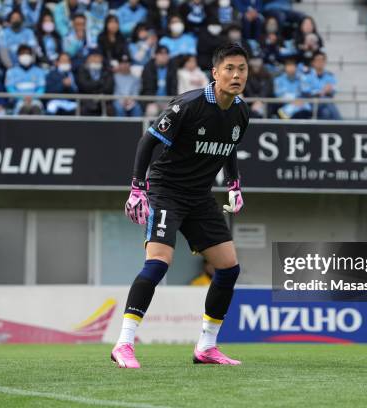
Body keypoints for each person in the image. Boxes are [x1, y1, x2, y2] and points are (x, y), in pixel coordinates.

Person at [111, 43, 250, 368]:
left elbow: (228, 146)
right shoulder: (189, 105)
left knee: (228, 267)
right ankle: (124, 344)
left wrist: (234, 184)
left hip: (200, 197)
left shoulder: (242, 112)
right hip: (166, 191)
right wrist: (137, 188)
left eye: (241, 69)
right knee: (159, 262)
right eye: (229, 68)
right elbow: (147, 141)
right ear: (215, 73)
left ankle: (206, 346)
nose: (236, 75)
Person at [5, 45, 46, 115]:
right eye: (22, 53)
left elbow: (41, 88)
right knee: (23, 109)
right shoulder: (11, 72)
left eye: (27, 53)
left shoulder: (39, 71)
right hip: (18, 102)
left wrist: (32, 98)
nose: (25, 56)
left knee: (36, 108)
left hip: (35, 101)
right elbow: (10, 88)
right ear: (18, 56)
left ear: (31, 55)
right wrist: (22, 98)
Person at [301, 51, 341, 120]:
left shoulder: (330, 75)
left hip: (324, 103)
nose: (320, 62)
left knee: (326, 113)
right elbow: (306, 92)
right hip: (310, 102)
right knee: (326, 100)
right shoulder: (306, 75)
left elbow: (333, 90)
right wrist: (322, 92)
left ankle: (324, 130)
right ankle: (341, 124)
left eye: (322, 60)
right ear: (313, 62)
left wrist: (327, 91)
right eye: (318, 60)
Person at [140, 45, 178, 116]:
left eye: (166, 54)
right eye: (161, 53)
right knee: (152, 111)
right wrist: (152, 101)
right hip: (152, 100)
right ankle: (149, 127)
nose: (164, 56)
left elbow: (174, 87)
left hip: (168, 100)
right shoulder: (148, 68)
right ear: (155, 55)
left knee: (172, 111)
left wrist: (172, 102)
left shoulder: (172, 67)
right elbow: (147, 88)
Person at [76, 51, 114, 116]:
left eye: (97, 57)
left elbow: (108, 87)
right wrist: (100, 82)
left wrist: (98, 94)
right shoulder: (82, 70)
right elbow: (84, 86)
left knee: (110, 108)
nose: (95, 60)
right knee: (84, 108)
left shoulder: (107, 70)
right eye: (93, 57)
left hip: (103, 99)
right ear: (88, 59)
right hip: (87, 99)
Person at [244, 50, 273, 118]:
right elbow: (247, 90)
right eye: (253, 60)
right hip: (250, 102)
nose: (255, 63)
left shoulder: (267, 75)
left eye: (257, 60)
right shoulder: (246, 75)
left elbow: (267, 90)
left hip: (264, 102)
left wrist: (259, 101)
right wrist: (254, 101)